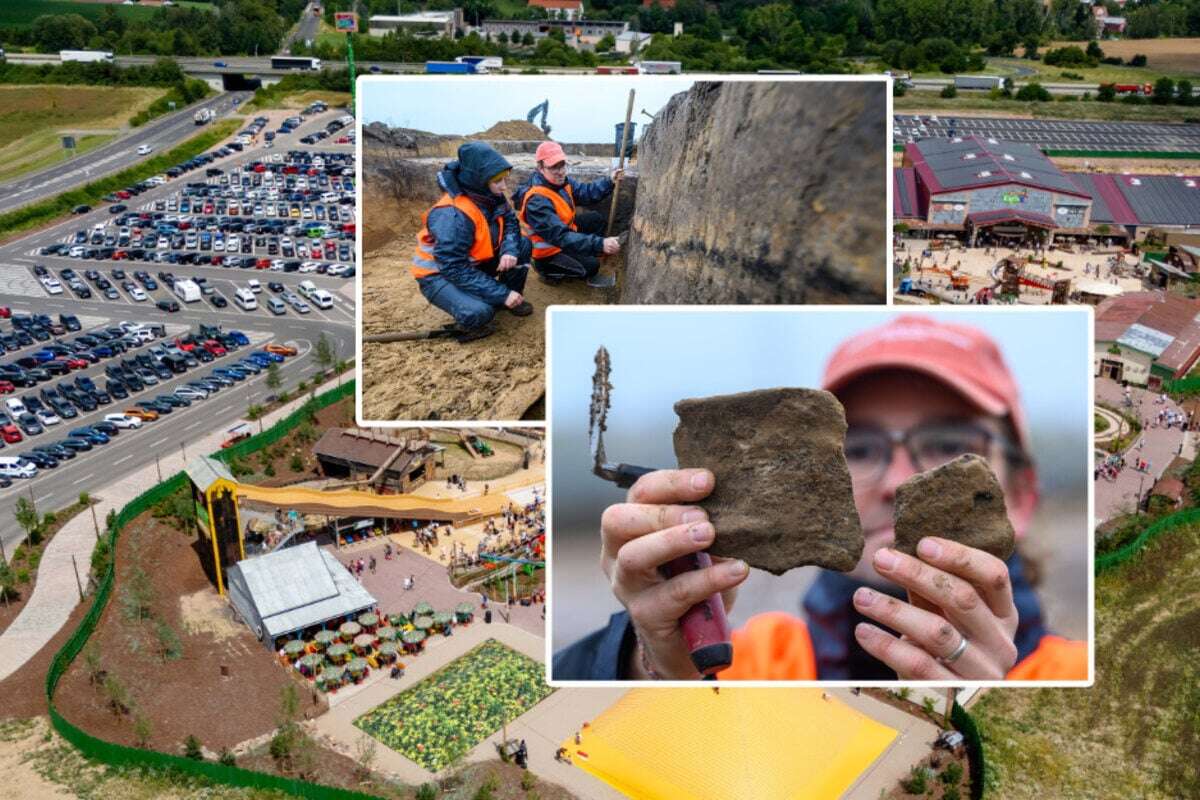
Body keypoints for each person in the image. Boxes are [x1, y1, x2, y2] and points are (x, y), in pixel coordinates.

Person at [552, 316, 1087, 681]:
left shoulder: (1081, 680)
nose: (898, 482)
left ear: (1019, 494)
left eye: (950, 446)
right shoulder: (744, 667)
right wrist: (647, 662)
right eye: (857, 447)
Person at [412, 142, 533, 343]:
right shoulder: (452, 214)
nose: (504, 186)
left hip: (471, 265)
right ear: (478, 179)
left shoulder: (490, 194)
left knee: (522, 244)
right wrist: (501, 293)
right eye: (498, 181)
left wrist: (509, 250)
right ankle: (486, 306)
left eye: (505, 179)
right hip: (439, 276)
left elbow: (511, 221)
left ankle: (509, 300)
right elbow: (453, 267)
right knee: (479, 313)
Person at [513, 140, 623, 288]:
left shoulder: (562, 182)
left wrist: (609, 181)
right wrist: (599, 244)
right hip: (549, 253)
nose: (560, 171)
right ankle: (548, 272)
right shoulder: (536, 201)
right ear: (540, 168)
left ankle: (584, 254)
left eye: (562, 165)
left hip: (566, 234)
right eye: (553, 167)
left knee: (596, 220)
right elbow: (560, 236)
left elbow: (586, 192)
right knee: (592, 266)